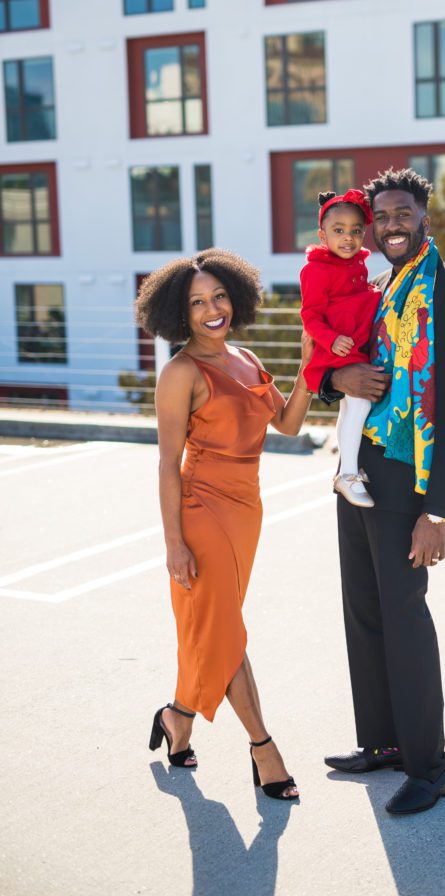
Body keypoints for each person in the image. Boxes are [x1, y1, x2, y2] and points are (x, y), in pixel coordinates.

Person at [319, 168, 445, 816]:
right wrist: (339, 378)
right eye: (380, 215)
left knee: (405, 619)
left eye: (401, 213)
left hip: (407, 481)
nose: (389, 224)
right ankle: (384, 745)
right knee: (364, 613)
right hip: (359, 471)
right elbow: (352, 375)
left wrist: (437, 511)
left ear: (422, 214)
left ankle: (430, 766)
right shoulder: (380, 291)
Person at [136, 248, 313, 802]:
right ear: (178, 313)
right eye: (196, 303)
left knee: (210, 629)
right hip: (202, 512)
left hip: (247, 511)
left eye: (218, 296)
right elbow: (167, 463)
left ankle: (177, 718)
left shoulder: (246, 356)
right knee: (227, 631)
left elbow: (286, 423)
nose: (212, 309)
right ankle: (265, 750)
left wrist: (309, 365)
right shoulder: (180, 372)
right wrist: (173, 543)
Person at [299, 188, 381, 507]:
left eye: (356, 231)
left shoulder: (358, 264)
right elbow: (310, 315)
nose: (348, 238)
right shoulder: (316, 269)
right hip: (335, 349)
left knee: (351, 407)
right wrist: (332, 339)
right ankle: (347, 474)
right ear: (322, 235)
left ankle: (347, 468)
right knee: (358, 405)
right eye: (338, 231)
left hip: (353, 343)